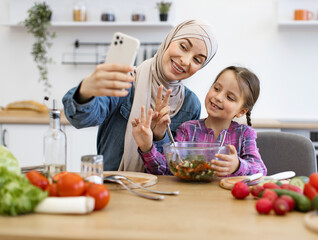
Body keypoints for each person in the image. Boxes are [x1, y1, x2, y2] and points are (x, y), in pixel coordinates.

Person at [62, 19, 218, 172]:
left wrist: (159, 137)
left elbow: (178, 168)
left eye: (197, 60)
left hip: (161, 193)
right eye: (183, 46)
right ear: (169, 40)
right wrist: (85, 91)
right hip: (114, 188)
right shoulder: (125, 81)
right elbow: (82, 119)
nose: (185, 61)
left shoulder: (190, 105)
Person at [132, 66, 267, 177]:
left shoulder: (244, 134)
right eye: (216, 88)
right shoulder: (188, 130)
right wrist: (147, 147)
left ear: (242, 111)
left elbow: (260, 170)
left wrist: (237, 165)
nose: (218, 97)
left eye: (230, 97)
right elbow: (166, 170)